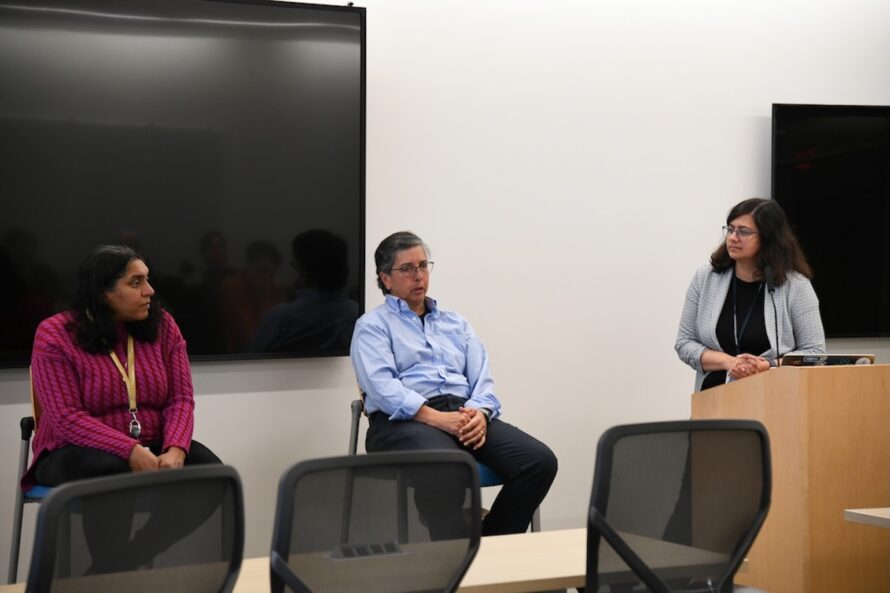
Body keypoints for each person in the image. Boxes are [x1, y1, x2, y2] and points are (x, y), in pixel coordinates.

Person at [24, 244, 221, 571]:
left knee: (212, 475)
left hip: (151, 442)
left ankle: (116, 568)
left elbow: (180, 399)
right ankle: (114, 576)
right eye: (136, 282)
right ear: (103, 292)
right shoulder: (55, 333)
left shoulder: (163, 325)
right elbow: (65, 418)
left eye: (147, 280)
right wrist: (128, 449)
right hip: (71, 449)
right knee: (111, 471)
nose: (150, 291)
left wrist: (176, 448)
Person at [350, 231, 558, 537]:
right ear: (386, 279)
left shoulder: (455, 323)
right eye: (407, 269)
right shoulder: (372, 327)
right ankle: (450, 557)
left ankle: (490, 543)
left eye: (423, 265)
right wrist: (438, 419)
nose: (419, 276)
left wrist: (479, 415)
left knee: (539, 461)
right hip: (401, 423)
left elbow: (482, 379)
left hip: (461, 414)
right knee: (449, 466)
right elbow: (383, 388)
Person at [675, 198, 826, 391]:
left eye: (743, 232)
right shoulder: (706, 279)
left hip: (774, 400)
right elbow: (684, 342)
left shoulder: (796, 287)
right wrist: (729, 363)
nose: (733, 237)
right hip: (712, 399)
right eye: (730, 229)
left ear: (768, 238)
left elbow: (815, 353)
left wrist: (767, 365)